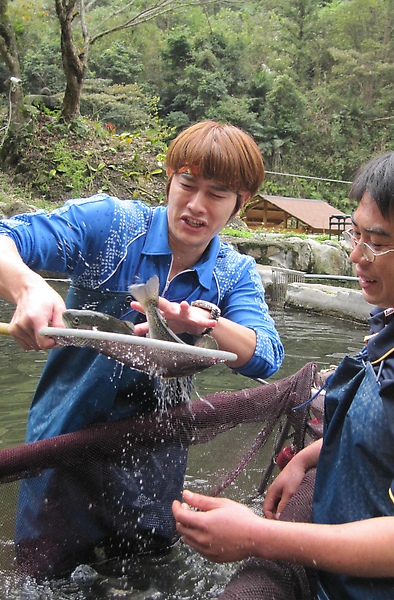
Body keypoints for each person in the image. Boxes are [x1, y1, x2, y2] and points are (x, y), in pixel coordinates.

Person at [0, 120, 284, 577]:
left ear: (240, 203)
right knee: (44, 577)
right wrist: (28, 287)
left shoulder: (234, 274)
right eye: (187, 184)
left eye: (217, 194)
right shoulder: (111, 226)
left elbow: (266, 354)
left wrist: (207, 325)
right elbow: (7, 236)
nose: (195, 205)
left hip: (155, 458)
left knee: (146, 575)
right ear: (169, 178)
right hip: (62, 438)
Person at [173, 146, 394, 599]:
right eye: (354, 235)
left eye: (377, 244)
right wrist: (308, 457)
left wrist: (256, 536)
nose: (356, 256)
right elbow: (393, 433)